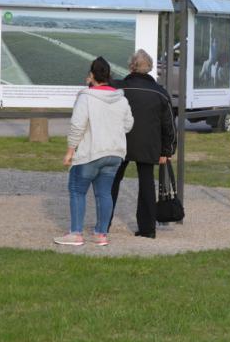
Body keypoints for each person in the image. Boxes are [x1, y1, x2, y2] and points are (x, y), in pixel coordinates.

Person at [54, 57, 133, 247]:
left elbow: (77, 126)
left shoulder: (86, 98)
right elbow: (129, 125)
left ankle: (76, 233)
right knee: (104, 193)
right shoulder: (121, 99)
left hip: (91, 153)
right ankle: (101, 235)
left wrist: (70, 151)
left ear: (92, 76)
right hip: (115, 153)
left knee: (77, 190)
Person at [109, 49, 176, 238]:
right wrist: (167, 150)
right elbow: (168, 125)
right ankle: (147, 229)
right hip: (149, 145)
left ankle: (103, 224)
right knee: (147, 184)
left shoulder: (118, 88)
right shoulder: (160, 93)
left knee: (112, 182)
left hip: (120, 142)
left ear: (131, 66)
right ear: (151, 68)